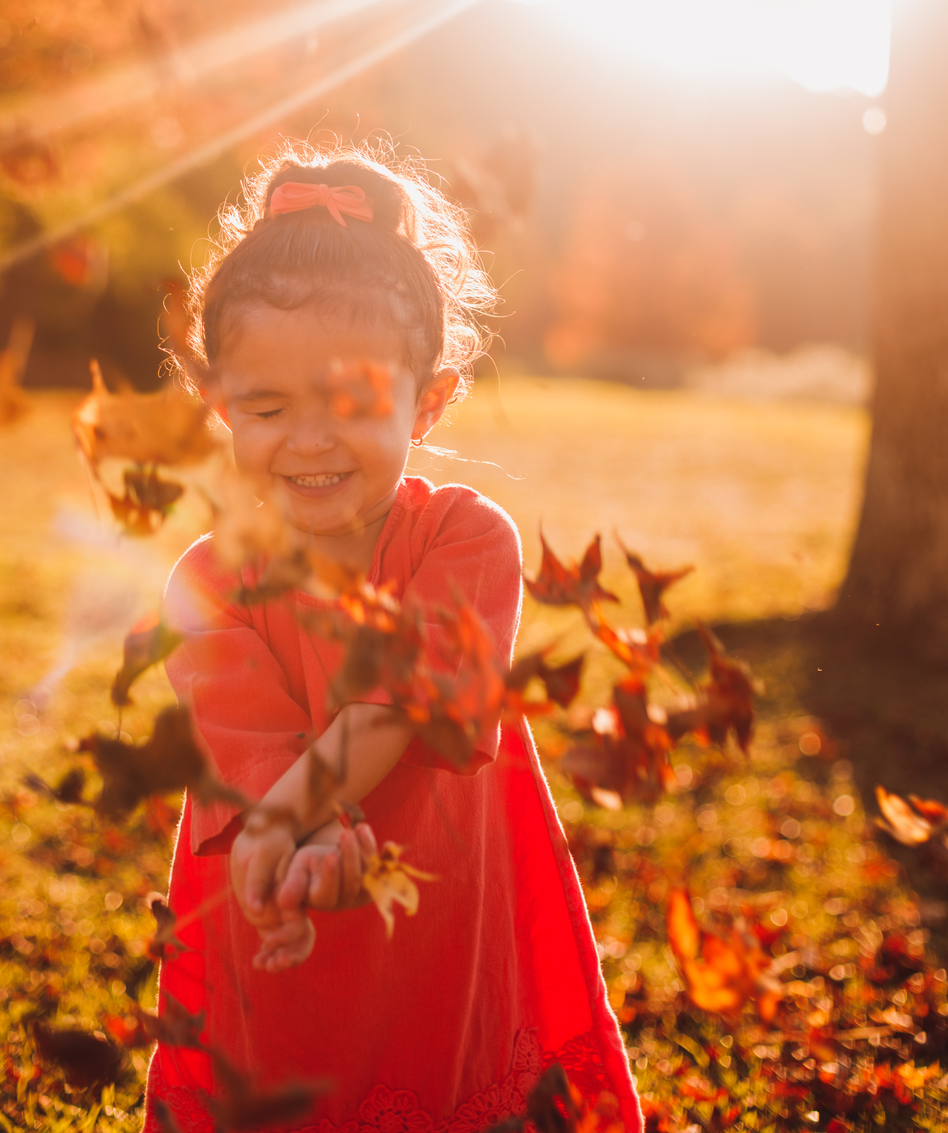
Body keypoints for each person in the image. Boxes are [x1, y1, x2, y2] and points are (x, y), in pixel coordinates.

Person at [144, 147, 641, 1133]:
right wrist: (298, 831)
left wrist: (301, 814)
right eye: (267, 407)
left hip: (438, 918)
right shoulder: (210, 580)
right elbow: (251, 756)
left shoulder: (465, 540)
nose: (310, 441)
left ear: (430, 400)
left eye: (354, 404)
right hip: (274, 911)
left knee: (435, 1079)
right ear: (217, 404)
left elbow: (392, 705)